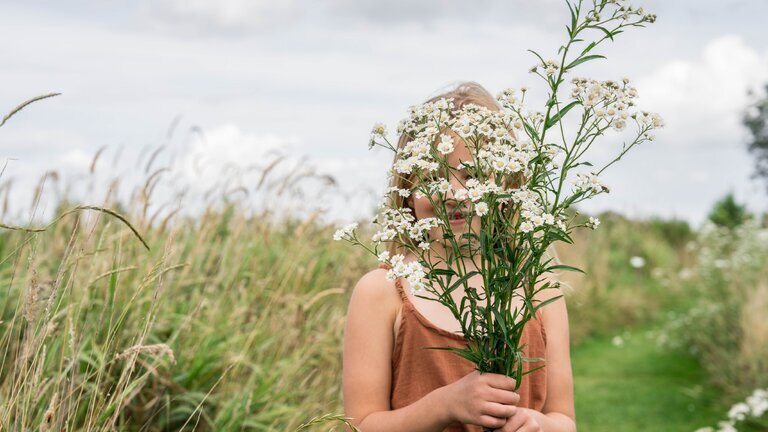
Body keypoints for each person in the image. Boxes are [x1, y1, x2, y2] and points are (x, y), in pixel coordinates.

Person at [342, 82, 576, 432]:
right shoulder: (382, 291)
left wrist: (537, 423)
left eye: (473, 175)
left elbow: (565, 420)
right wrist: (445, 405)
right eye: (432, 178)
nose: (454, 194)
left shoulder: (540, 290)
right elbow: (360, 425)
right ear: (406, 190)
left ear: (509, 185)